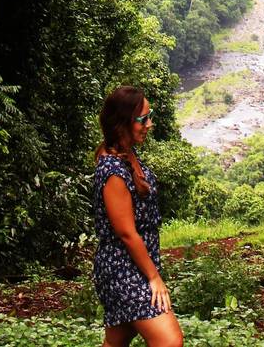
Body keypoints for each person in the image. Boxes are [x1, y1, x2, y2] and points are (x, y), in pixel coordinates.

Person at [92, 85, 183, 347]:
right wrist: (154, 277)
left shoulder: (128, 154)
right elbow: (127, 233)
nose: (150, 124)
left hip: (136, 263)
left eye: (149, 116)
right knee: (170, 341)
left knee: (117, 341)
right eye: (143, 119)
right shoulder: (112, 172)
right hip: (123, 268)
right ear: (122, 122)